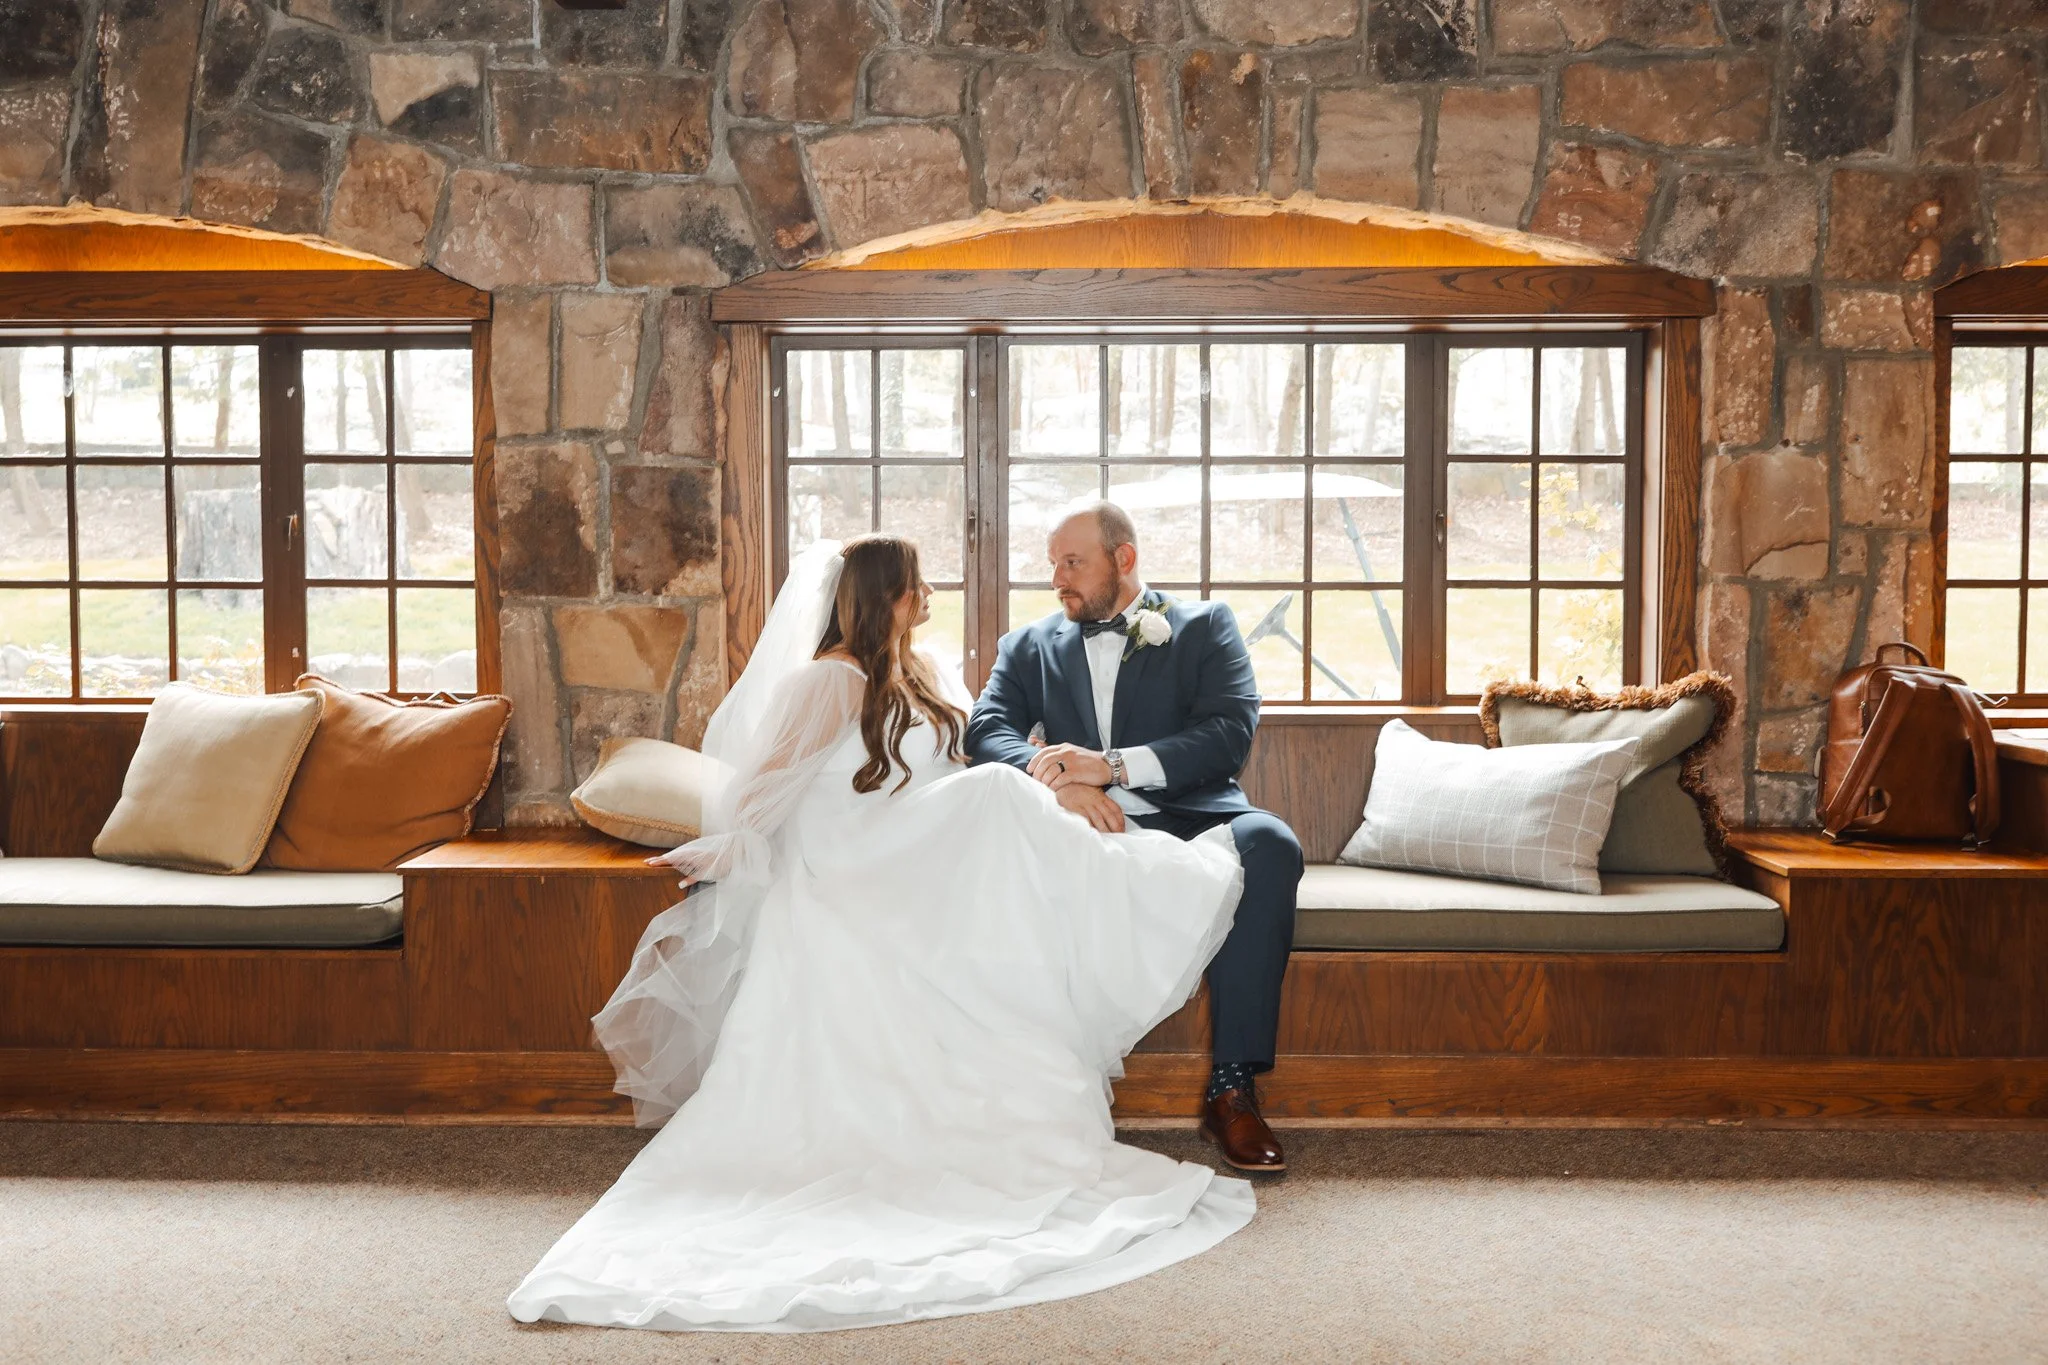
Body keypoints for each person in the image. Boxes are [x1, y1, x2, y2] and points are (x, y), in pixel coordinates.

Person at [507, 533, 1253, 1333]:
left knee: (999, 795)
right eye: (913, 585)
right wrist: (722, 849)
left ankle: (1116, 905)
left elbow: (962, 755)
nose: (925, 594)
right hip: (858, 861)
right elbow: (764, 794)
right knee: (999, 797)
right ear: (881, 597)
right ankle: (1139, 894)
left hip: (911, 853)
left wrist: (1043, 777)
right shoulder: (829, 679)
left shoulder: (916, 670)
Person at [967, 502, 1302, 1173]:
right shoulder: (1027, 645)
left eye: (1073, 562)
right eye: (1053, 564)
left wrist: (1112, 765)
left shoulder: (1206, 626)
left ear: (1123, 559)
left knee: (1274, 844)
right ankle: (1036, 1090)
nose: (1058, 579)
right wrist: (1059, 778)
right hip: (1075, 826)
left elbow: (1227, 732)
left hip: (1194, 810)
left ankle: (1233, 1088)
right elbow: (986, 729)